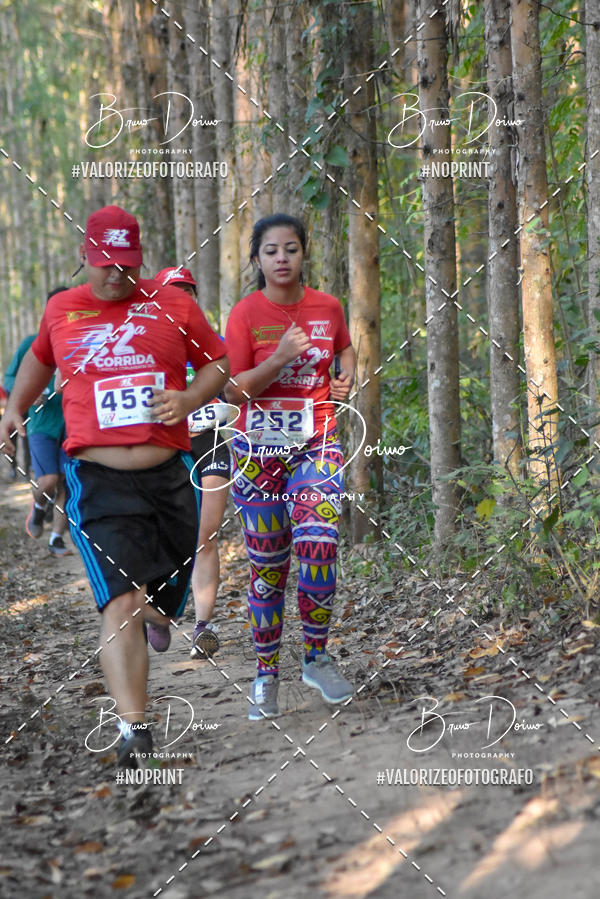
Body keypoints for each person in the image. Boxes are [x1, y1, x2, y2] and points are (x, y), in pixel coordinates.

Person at [0, 206, 229, 766]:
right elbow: (38, 360)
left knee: (163, 596)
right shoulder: (63, 309)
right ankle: (134, 729)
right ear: (85, 256)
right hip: (96, 480)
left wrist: (190, 398)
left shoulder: (173, 304)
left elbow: (218, 362)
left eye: (126, 266)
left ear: (140, 259)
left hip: (168, 476)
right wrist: (15, 409)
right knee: (121, 600)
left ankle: (159, 612)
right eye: (104, 264)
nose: (114, 276)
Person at [224, 213, 356, 720]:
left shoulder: (327, 307)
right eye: (272, 251)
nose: (283, 258)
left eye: (292, 249)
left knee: (319, 543)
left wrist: (345, 376)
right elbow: (234, 389)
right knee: (269, 567)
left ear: (304, 254)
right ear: (257, 259)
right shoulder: (244, 315)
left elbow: (343, 348)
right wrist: (278, 358)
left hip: (316, 440)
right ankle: (265, 675)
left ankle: (317, 657)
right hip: (256, 452)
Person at [155, 267, 231, 659]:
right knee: (167, 534)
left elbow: (234, 384)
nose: (183, 298)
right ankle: (160, 613)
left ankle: (203, 626)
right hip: (168, 448)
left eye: (189, 290)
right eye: (174, 291)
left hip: (212, 441)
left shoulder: (213, 339)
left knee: (207, 534)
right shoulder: (149, 343)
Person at [3, 288, 72, 555]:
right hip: (41, 424)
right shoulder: (32, 343)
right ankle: (40, 505)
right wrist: (29, 396)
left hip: (73, 424)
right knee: (48, 481)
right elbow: (10, 379)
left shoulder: (82, 340)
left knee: (68, 483)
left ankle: (56, 537)